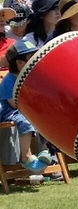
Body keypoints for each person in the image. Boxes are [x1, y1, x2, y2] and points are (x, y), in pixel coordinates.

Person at [2, 36, 50, 173]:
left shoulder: (33, 77)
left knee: (47, 117)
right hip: (10, 111)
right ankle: (26, 156)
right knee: (26, 121)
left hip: (29, 109)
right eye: (31, 57)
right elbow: (14, 104)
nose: (36, 61)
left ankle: (44, 149)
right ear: (19, 63)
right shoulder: (9, 80)